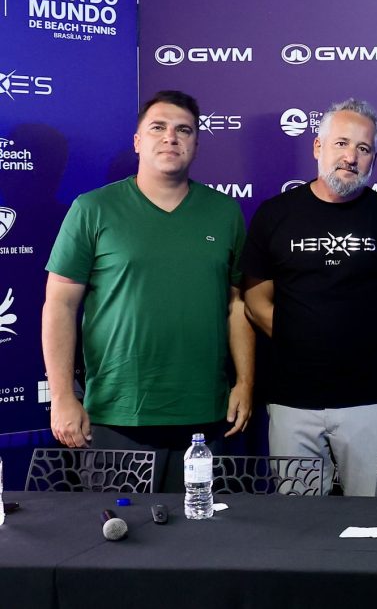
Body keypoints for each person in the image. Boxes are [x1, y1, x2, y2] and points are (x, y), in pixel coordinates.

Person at [42, 90, 253, 492]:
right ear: (138, 141)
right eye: (158, 127)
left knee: (201, 544)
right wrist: (63, 396)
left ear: (196, 143)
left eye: (183, 130)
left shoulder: (224, 212)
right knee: (116, 546)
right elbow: (60, 305)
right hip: (117, 414)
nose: (171, 137)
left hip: (205, 415)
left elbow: (236, 304)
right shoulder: (93, 209)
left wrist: (244, 383)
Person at [242, 98, 377, 497]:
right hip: (293, 401)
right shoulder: (275, 215)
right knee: (298, 524)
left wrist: (371, 350)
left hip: (370, 402)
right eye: (341, 143)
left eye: (363, 148)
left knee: (374, 519)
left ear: (374, 157)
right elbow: (255, 299)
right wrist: (299, 342)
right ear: (317, 147)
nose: (351, 157)